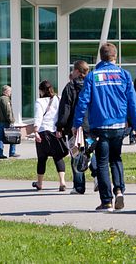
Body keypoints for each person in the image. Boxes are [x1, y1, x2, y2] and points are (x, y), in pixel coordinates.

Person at [73, 43, 136, 212]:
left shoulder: (93, 76)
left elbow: (83, 101)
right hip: (119, 125)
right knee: (116, 159)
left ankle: (106, 201)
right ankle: (119, 190)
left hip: (100, 125)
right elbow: (133, 102)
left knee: (103, 162)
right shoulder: (124, 74)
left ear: (101, 56)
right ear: (115, 57)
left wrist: (77, 124)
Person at [56, 61, 90, 194]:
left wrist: (60, 126)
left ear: (76, 71)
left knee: (76, 154)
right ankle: (96, 173)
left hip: (73, 129)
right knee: (91, 150)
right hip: (90, 128)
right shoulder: (91, 85)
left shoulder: (70, 87)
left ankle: (79, 186)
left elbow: (65, 109)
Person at [32, 80, 66, 191]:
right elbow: (62, 114)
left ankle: (40, 183)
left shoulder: (40, 101)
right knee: (58, 157)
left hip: (43, 132)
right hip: (55, 132)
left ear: (41, 91)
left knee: (42, 159)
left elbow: (38, 117)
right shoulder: (59, 99)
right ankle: (62, 182)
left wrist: (35, 131)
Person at [0, 85, 19, 159]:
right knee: (13, 136)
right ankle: (12, 152)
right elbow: (8, 111)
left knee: (1, 138)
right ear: (5, 91)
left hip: (0, 121)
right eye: (9, 91)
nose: (10, 93)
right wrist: (11, 121)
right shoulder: (5, 99)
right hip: (6, 121)